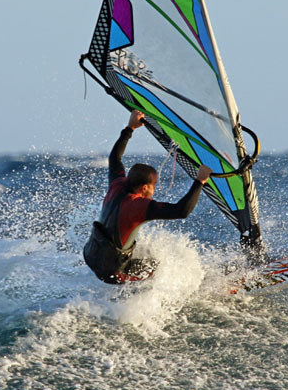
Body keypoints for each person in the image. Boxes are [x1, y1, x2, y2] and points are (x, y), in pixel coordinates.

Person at [83, 110, 212, 284]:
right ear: (144, 188)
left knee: (146, 255)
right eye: (154, 185)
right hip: (111, 271)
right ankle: (134, 305)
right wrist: (200, 181)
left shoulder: (117, 183)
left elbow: (115, 157)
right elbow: (182, 211)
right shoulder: (138, 207)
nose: (154, 189)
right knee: (160, 269)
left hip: (91, 254)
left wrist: (130, 128)